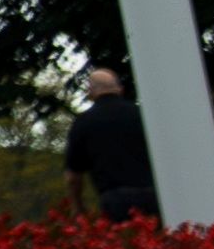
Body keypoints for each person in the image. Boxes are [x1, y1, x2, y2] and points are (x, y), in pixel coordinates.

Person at [65, 66, 161, 221]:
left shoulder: (84, 122)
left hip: (115, 200)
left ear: (91, 92)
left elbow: (73, 176)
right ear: (119, 88)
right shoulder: (141, 115)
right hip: (153, 195)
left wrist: (77, 206)